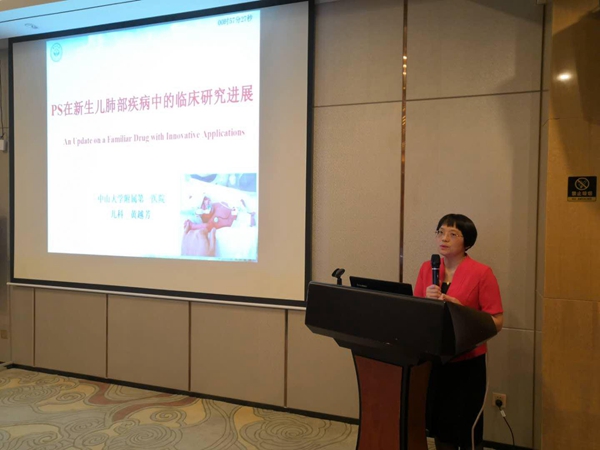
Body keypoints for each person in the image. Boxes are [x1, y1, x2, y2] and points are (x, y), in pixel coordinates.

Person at [414, 214, 504, 450]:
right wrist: (425, 303)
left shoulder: (482, 273)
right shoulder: (428, 268)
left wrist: (460, 309)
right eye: (441, 232)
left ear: (467, 242)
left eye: (453, 234)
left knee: (465, 425)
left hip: (467, 362)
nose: (444, 238)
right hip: (435, 359)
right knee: (440, 424)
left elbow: (496, 322)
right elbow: (416, 313)